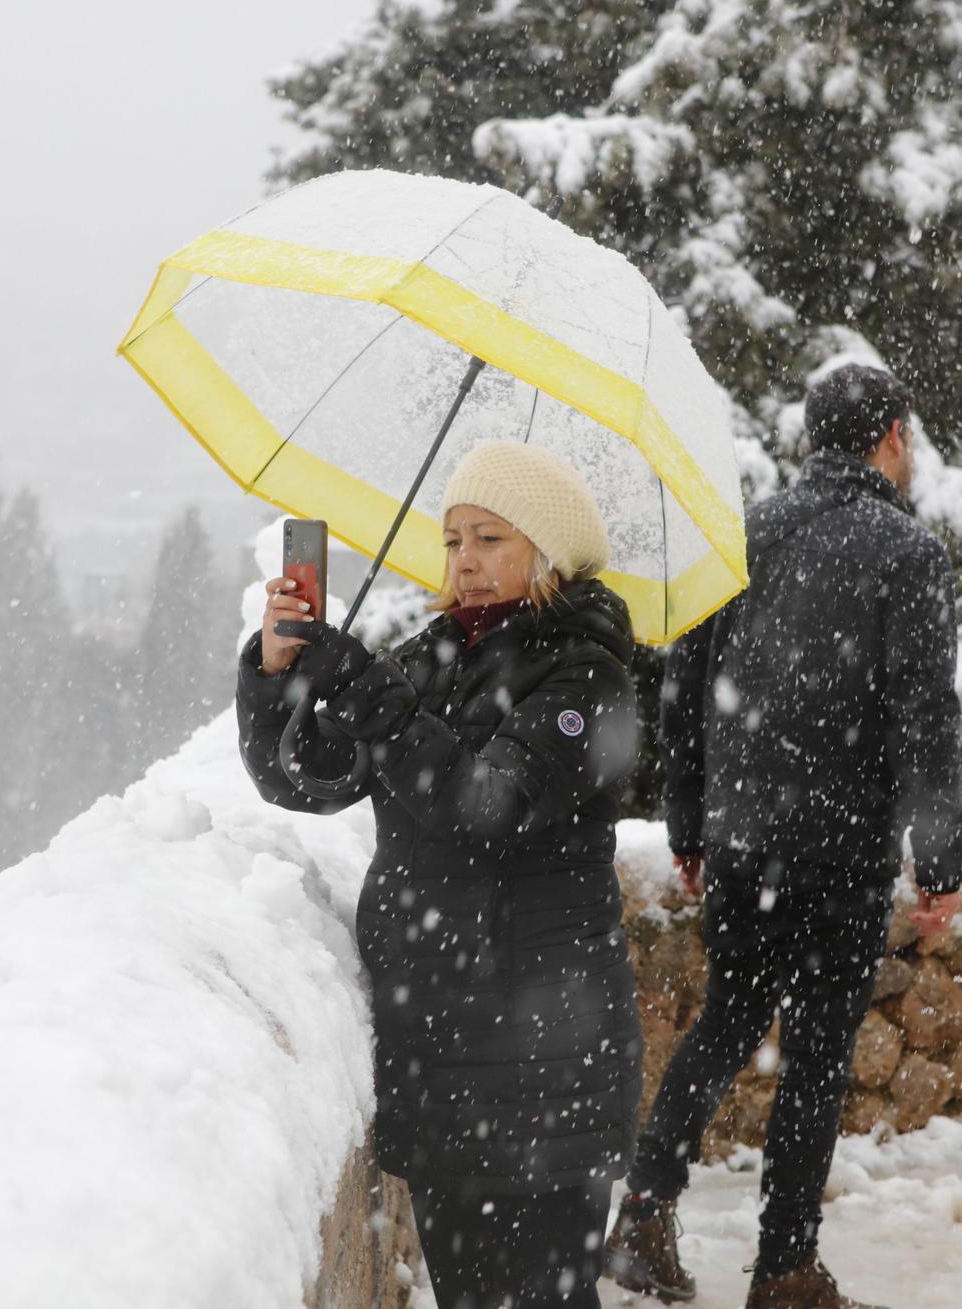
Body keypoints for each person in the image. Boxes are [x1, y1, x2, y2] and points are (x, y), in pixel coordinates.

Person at [237, 441, 644, 1307]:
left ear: (547, 551)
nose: (465, 560)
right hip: (441, 1048)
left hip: (544, 1059)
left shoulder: (585, 676)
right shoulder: (438, 656)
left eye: (490, 538)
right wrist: (278, 676)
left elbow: (483, 810)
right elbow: (304, 778)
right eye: (454, 539)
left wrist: (373, 694)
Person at [604, 364, 962, 1309]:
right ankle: (784, 1269)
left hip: (742, 841)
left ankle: (644, 1211)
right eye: (910, 437)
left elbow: (684, 691)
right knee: (814, 1056)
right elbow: (925, 719)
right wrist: (939, 865)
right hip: (842, 850)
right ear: (887, 435)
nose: (912, 454)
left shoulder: (743, 536)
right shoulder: (907, 554)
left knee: (726, 1019)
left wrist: (689, 823)